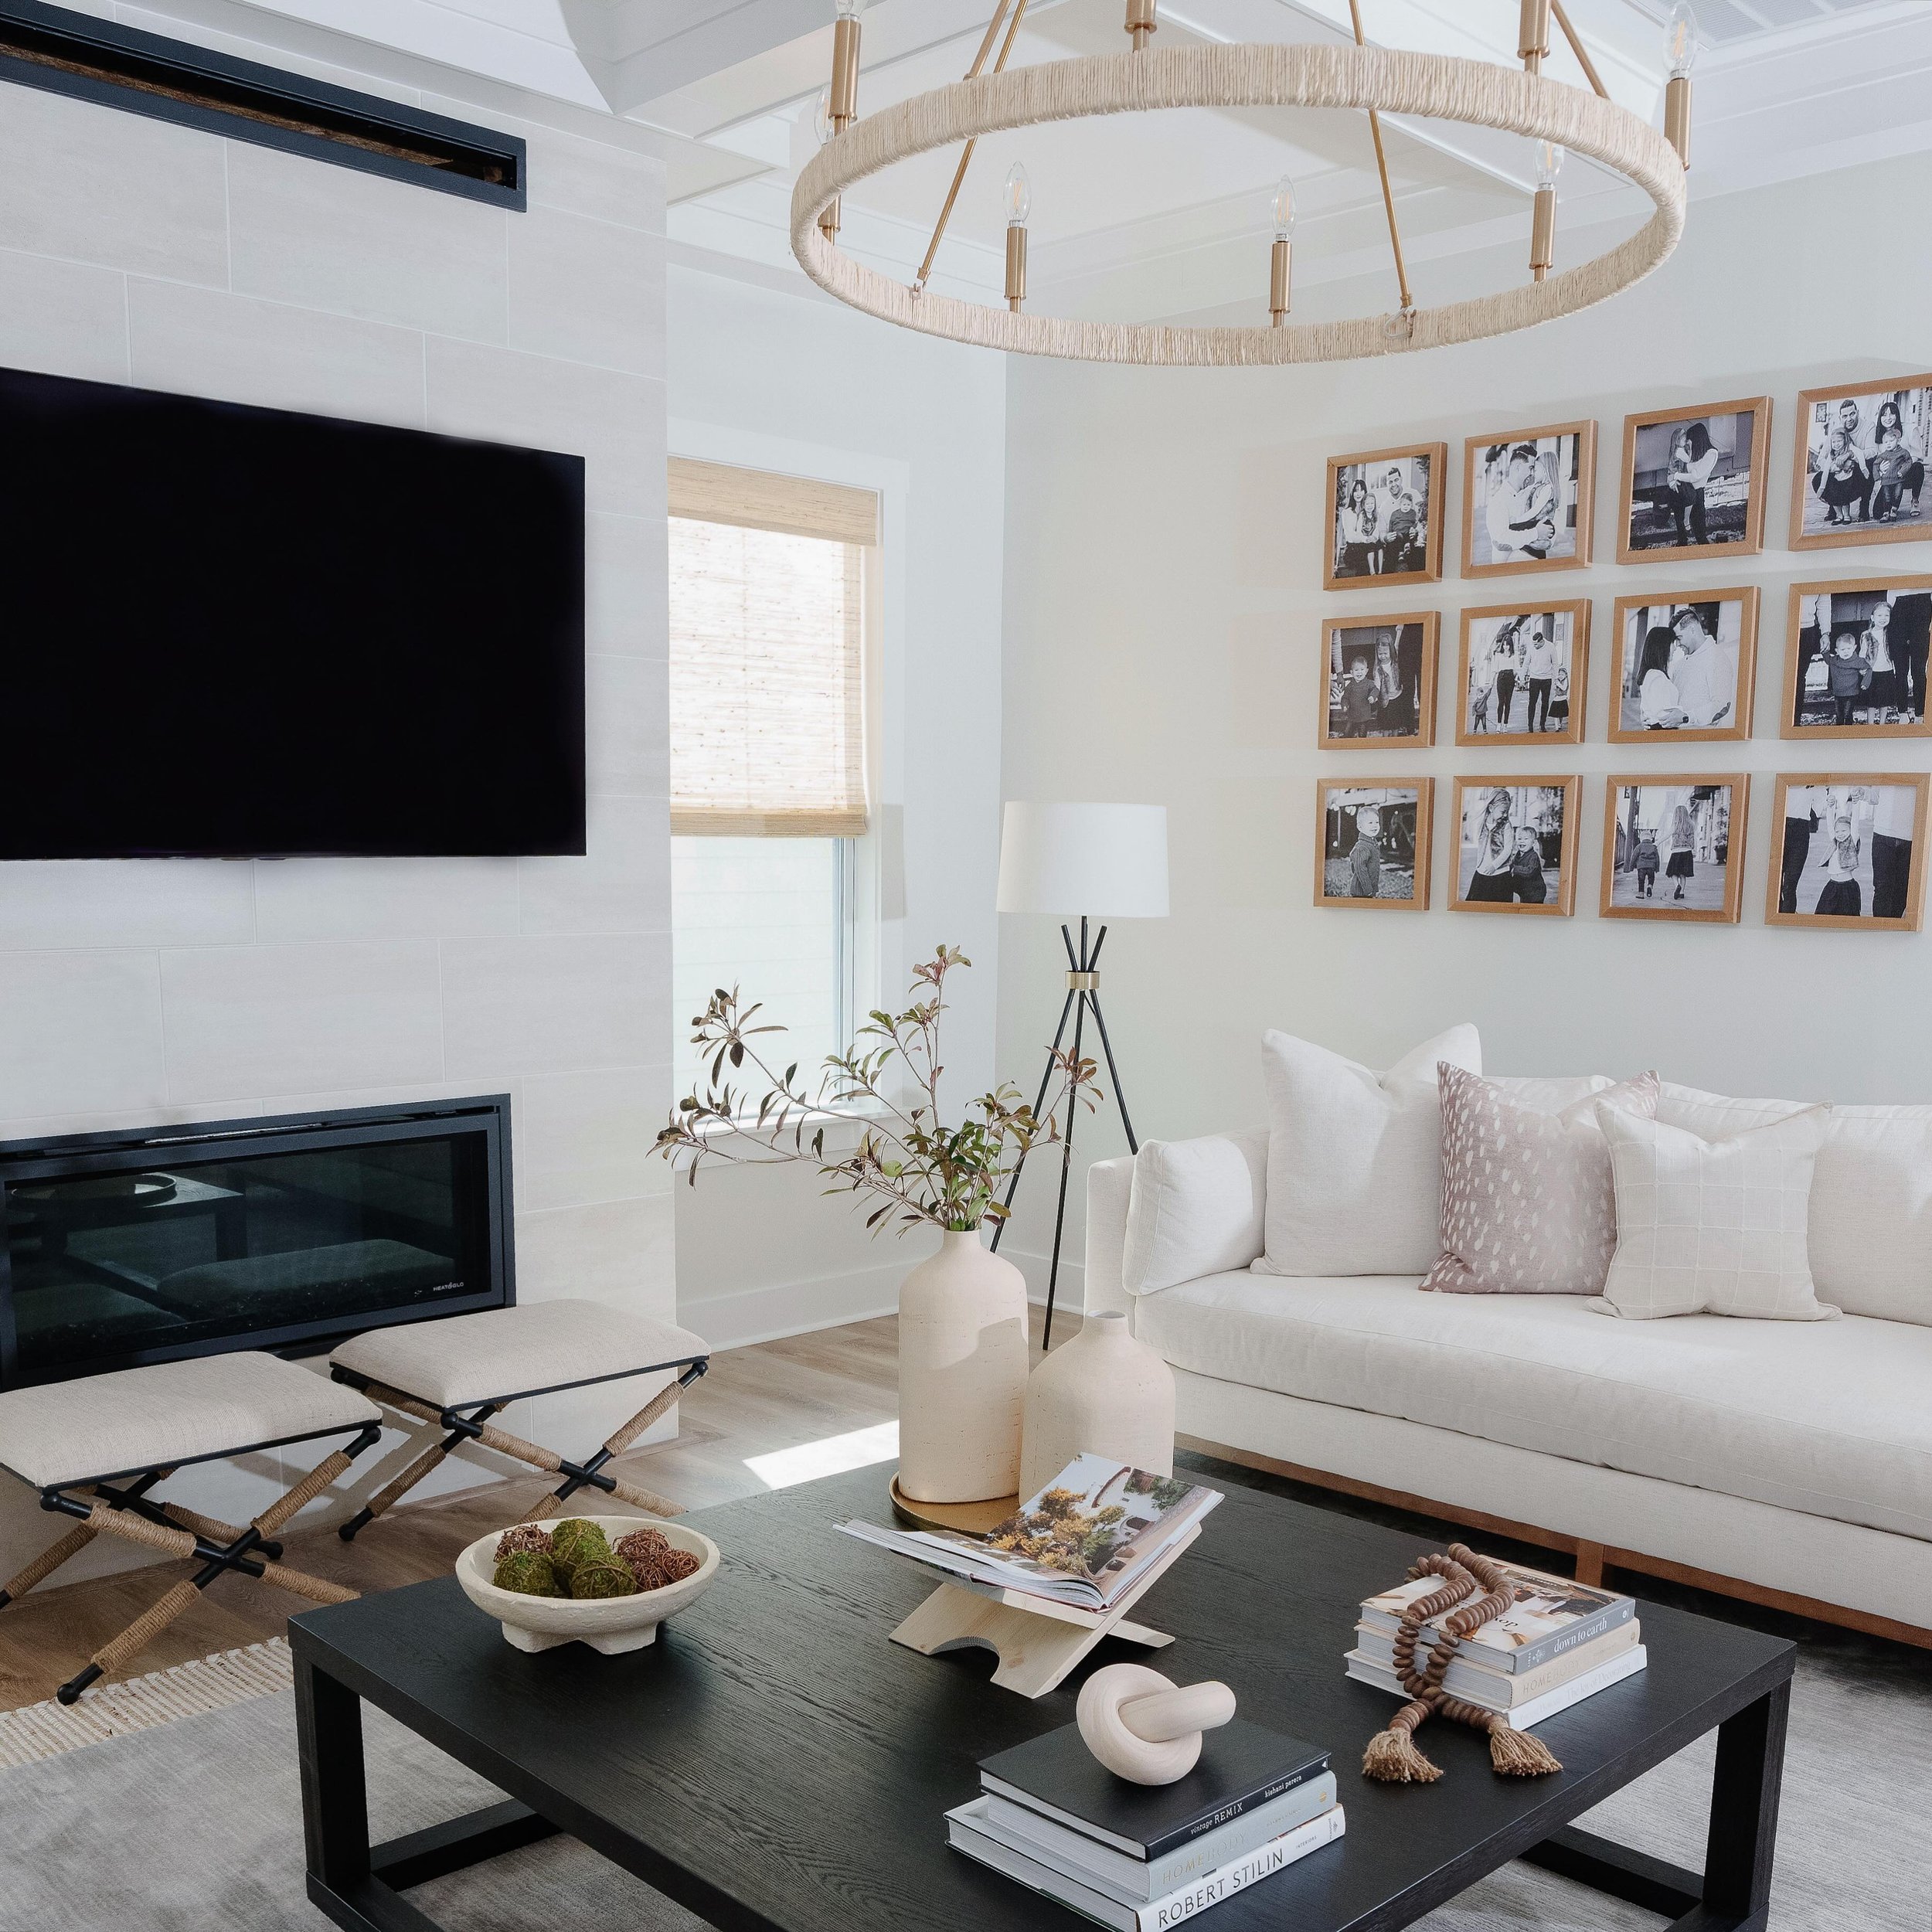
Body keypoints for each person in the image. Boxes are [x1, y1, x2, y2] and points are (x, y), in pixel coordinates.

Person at [1668, 606, 1735, 728]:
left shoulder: (1717, 658)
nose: (1677, 644)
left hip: (1700, 744)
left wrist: (1686, 717)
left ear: (1692, 630)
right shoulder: (1680, 664)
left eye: (1679, 638)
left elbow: (1722, 706)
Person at [1665, 421, 1723, 546]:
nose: (1688, 442)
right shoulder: (1695, 452)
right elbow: (1678, 466)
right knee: (1681, 531)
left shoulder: (1711, 454)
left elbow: (1696, 476)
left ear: (1697, 438)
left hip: (1696, 493)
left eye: (1690, 440)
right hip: (1683, 489)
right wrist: (1672, 480)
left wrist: (1674, 476)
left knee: (1700, 532)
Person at [1872, 396, 1924, 519]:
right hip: (1890, 478)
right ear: (1880, 418)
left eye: (1892, 414)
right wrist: (1881, 470)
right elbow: (1878, 461)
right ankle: (1893, 505)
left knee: (1918, 467)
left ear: (1897, 415)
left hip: (1906, 473)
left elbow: (1917, 455)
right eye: (1884, 415)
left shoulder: (1910, 429)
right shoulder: (1879, 437)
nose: (1888, 418)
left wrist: (1902, 468)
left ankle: (1915, 500)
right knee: (1877, 513)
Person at [1871, 784, 1916, 920]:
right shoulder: (1886, 766)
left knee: (1902, 890)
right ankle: (1880, 932)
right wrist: (1862, 792)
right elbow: (1876, 795)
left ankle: (1892, 929)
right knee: (1882, 888)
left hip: (1912, 836)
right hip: (1882, 833)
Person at [1464, 788, 1516, 902]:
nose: (1505, 815)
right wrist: (1479, 865)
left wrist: (1494, 866)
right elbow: (1481, 846)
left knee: (1498, 904)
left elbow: (1508, 849)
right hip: (1482, 871)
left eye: (1507, 811)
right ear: (1491, 808)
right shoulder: (1482, 824)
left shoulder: (1506, 826)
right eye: (1503, 812)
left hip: (1500, 873)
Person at [1815, 811, 1862, 917]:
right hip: (1832, 885)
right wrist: (1830, 807)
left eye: (1844, 830)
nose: (1840, 834)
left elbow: (1855, 823)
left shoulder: (1852, 842)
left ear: (1851, 831)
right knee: (1822, 916)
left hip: (1848, 887)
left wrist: (1856, 803)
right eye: (1837, 831)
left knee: (1847, 918)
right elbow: (1829, 825)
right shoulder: (1835, 843)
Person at [1780, 794, 1820, 913]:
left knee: (1790, 885)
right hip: (1779, 824)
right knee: (1774, 884)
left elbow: (1819, 805)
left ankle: (1787, 919)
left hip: (1801, 829)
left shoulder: (1814, 785)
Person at [1859, 602, 1898, 721]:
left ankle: (1882, 724)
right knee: (1871, 702)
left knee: (1884, 701)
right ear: (1873, 618)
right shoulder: (1866, 635)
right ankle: (1870, 724)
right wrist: (1862, 668)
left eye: (1887, 616)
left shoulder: (1891, 633)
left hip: (1887, 670)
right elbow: (1862, 653)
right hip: (1872, 672)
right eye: (1880, 616)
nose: (1883, 619)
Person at [1826, 631, 1873, 726]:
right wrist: (1824, 646)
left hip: (1852, 693)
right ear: (1837, 651)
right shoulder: (1835, 661)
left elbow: (1869, 669)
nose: (1846, 651)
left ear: (1854, 648)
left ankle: (1848, 732)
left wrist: (1866, 682)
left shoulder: (1857, 661)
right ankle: (1840, 734)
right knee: (1839, 715)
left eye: (1849, 648)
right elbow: (1826, 657)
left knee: (1847, 714)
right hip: (1838, 694)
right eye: (1843, 650)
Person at [1379, 466, 1419, 574]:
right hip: (1394, 543)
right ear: (1387, 483)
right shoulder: (1384, 506)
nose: (1393, 484)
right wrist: (1385, 538)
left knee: (1417, 553)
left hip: (1413, 538)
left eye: (1396, 480)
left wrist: (1417, 530)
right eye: (1390, 482)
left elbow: (1423, 519)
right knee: (1390, 556)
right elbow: (1382, 531)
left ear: (1401, 479)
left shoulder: (1413, 495)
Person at [1522, 619, 1557, 733]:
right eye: (1533, 644)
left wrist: (1556, 679)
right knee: (1532, 702)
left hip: (1547, 678)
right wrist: (1522, 677)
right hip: (1534, 678)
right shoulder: (1532, 648)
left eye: (1536, 644)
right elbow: (1526, 663)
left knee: (1545, 703)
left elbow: (1555, 663)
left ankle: (1542, 725)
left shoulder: (1551, 647)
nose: (1535, 646)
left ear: (1542, 641)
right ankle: (1530, 727)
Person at [1338, 476, 1377, 577]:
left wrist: (1374, 537)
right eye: (1356, 491)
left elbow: (1376, 527)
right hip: (1353, 549)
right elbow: (1350, 536)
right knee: (1364, 556)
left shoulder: (1369, 511)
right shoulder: (1347, 513)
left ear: (1365, 492)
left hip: (1368, 546)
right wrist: (1366, 539)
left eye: (1361, 490)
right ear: (1352, 493)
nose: (1358, 494)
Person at [1664, 799, 1696, 903]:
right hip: (1687, 852)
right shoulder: (1691, 825)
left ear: (1676, 815)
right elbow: (1692, 838)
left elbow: (1666, 836)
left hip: (1676, 852)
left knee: (1672, 873)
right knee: (1683, 874)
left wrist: (1656, 843)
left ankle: (1677, 885)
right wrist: (1693, 850)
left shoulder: (1675, 826)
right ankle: (1682, 892)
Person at [1337, 655, 1377, 736]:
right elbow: (1345, 697)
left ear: (1366, 671)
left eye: (1362, 670)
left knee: (1362, 735)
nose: (1359, 672)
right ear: (1352, 672)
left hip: (1364, 717)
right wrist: (1344, 705)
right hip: (1352, 717)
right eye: (1356, 670)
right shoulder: (1350, 686)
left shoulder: (1369, 684)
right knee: (1348, 734)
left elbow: (1375, 690)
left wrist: (1372, 696)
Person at [1349, 804, 1383, 899]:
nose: (1375, 825)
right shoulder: (1362, 847)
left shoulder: (1372, 843)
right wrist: (1368, 890)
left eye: (1377, 822)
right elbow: (1360, 870)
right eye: (1370, 823)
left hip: (1369, 890)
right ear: (1360, 827)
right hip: (1361, 892)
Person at [1488, 624, 1519, 730]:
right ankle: (1498, 724)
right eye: (1504, 645)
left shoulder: (1515, 655)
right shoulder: (1498, 655)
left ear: (1511, 645)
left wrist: (1516, 678)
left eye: (1508, 645)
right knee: (1501, 702)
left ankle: (1505, 724)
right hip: (1501, 678)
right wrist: (1491, 681)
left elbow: (1517, 669)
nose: (1506, 647)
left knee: (1508, 702)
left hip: (1510, 678)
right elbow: (1494, 669)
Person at [1509, 825, 1548, 903]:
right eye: (1519, 839)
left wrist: (1515, 869)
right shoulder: (1518, 855)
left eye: (1526, 839)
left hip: (1536, 893)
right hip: (1525, 892)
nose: (1522, 841)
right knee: (1524, 905)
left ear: (1534, 843)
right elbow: (1512, 864)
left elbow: (1530, 871)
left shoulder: (1534, 856)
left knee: (1533, 909)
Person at [1632, 827, 1660, 899]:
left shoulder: (1639, 846)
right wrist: (1657, 868)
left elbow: (1634, 856)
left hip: (1641, 867)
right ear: (1650, 838)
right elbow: (1657, 858)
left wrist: (1631, 866)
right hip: (1651, 867)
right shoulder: (1653, 847)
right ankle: (1650, 886)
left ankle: (1641, 894)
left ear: (1641, 838)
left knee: (1641, 880)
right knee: (1651, 878)